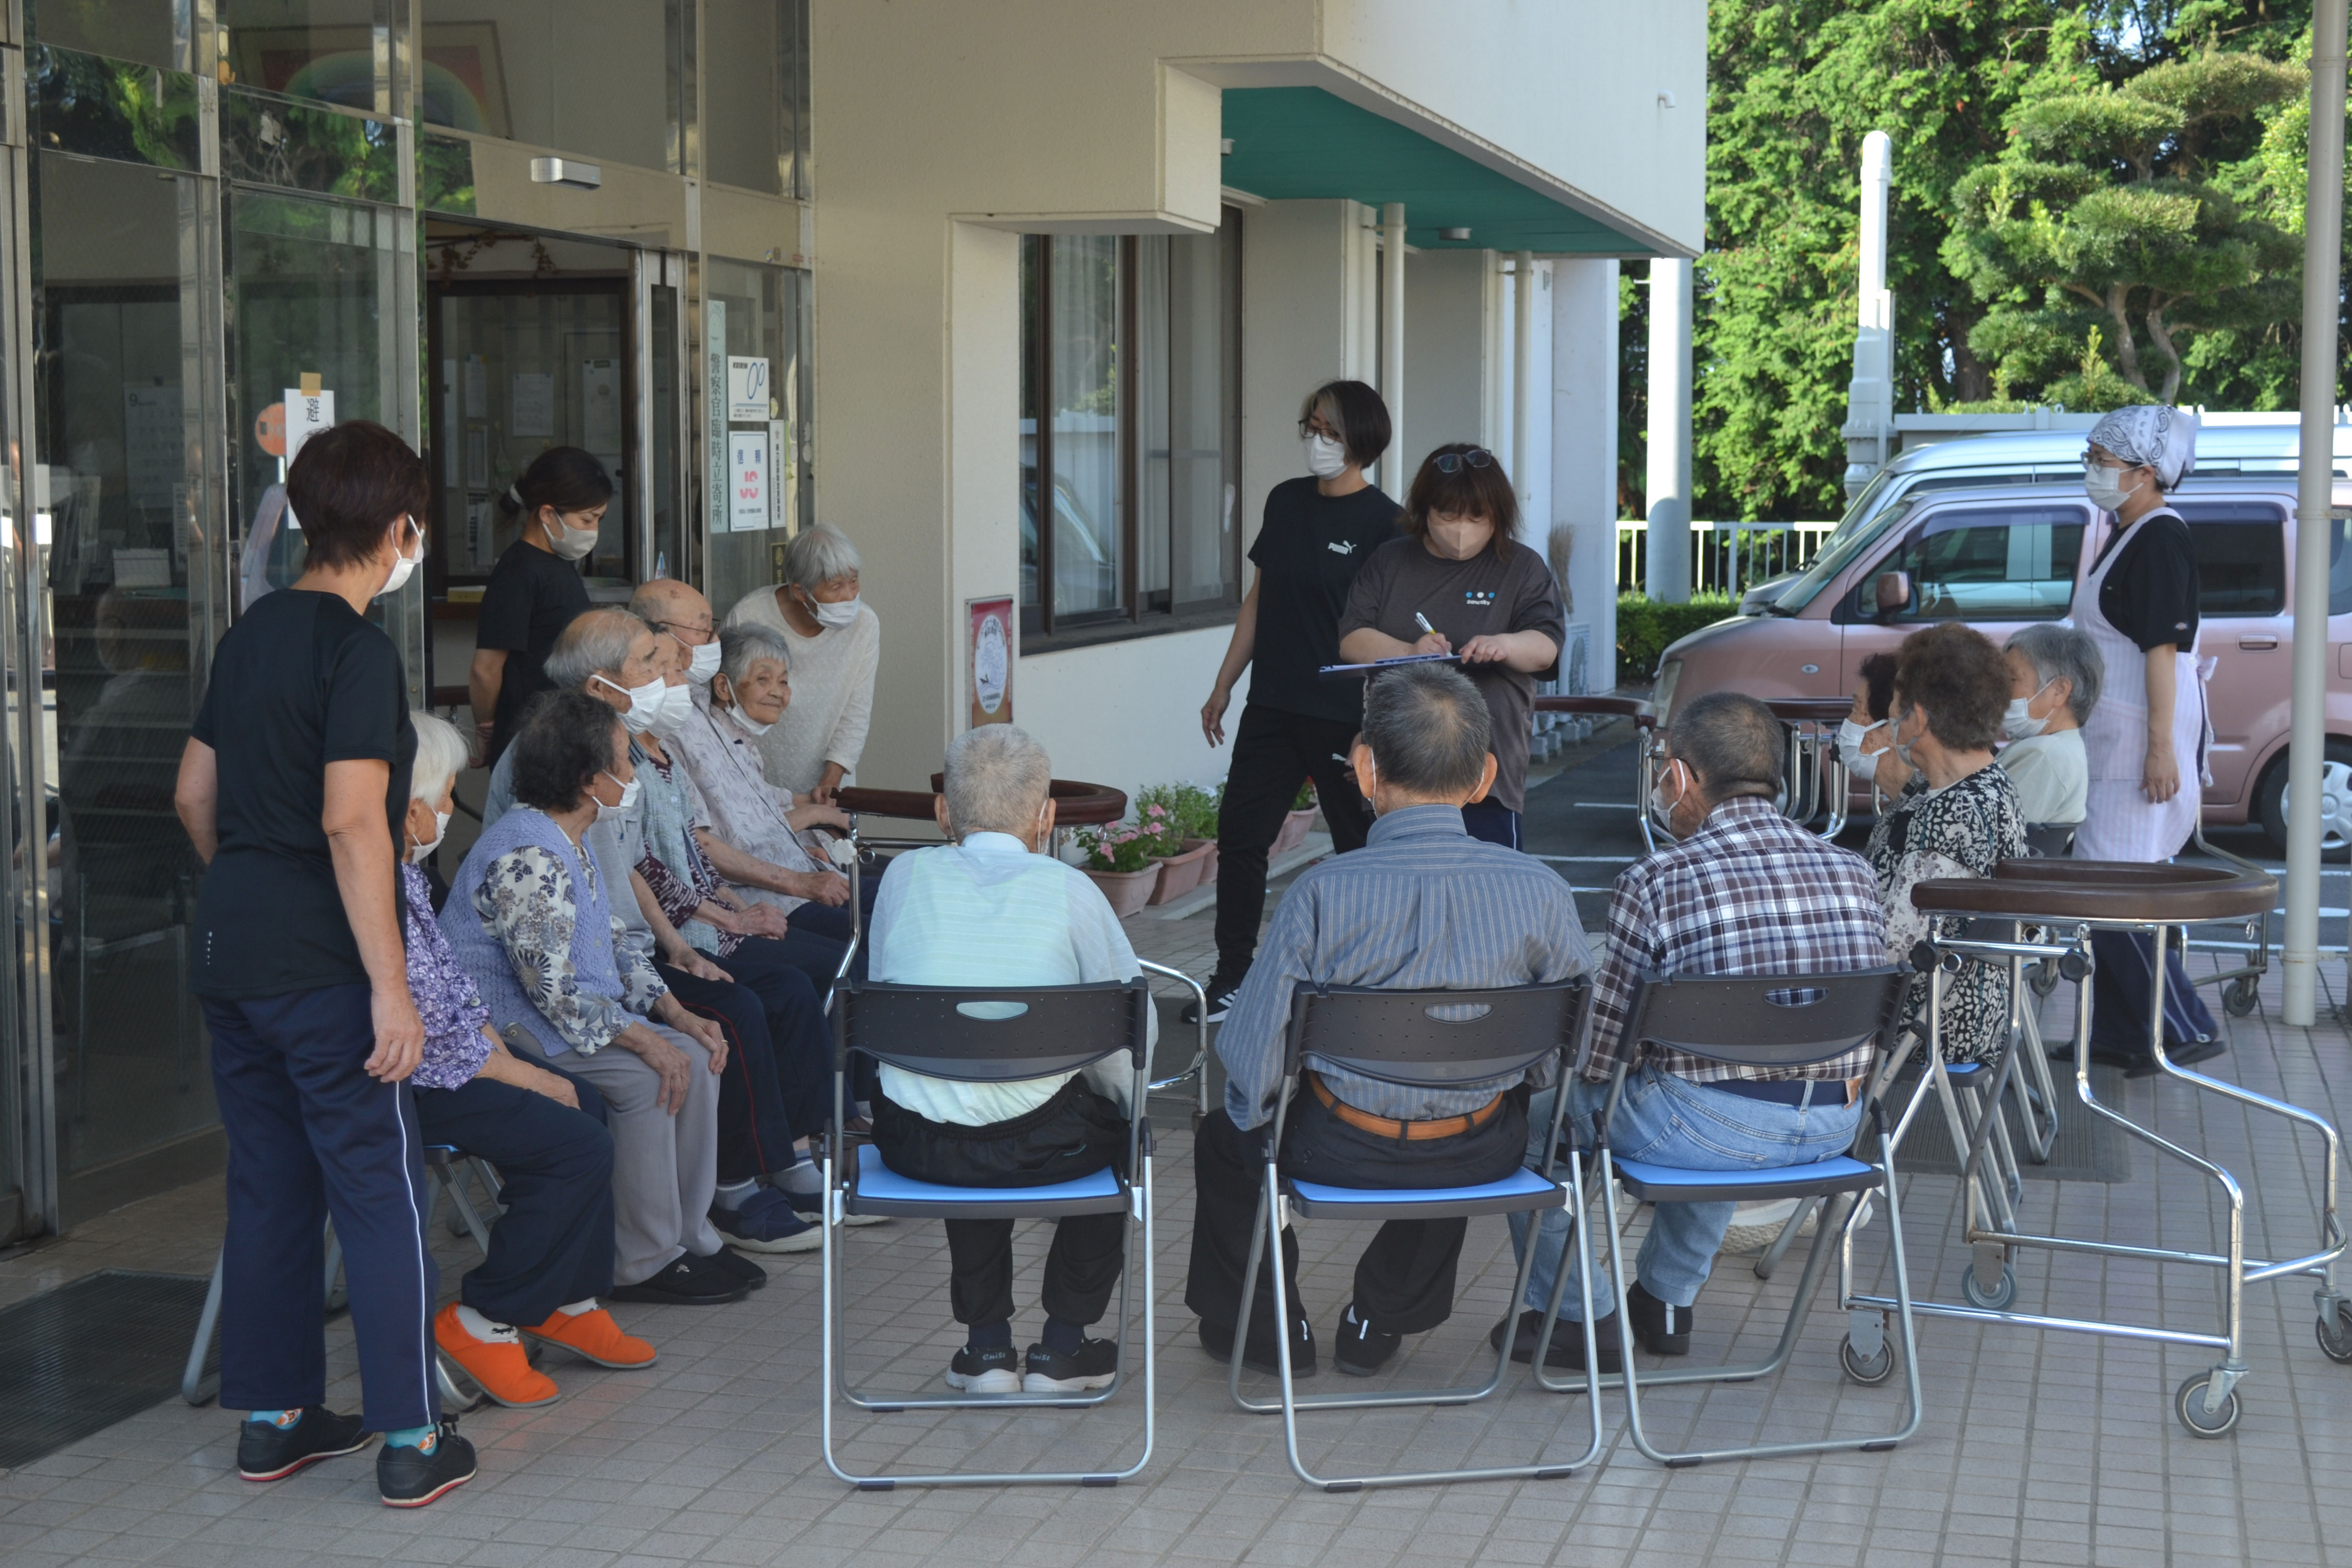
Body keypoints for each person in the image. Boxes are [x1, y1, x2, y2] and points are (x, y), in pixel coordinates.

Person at [172, 419, 476, 1507]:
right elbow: (356, 823)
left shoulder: (248, 636)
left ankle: (275, 1418)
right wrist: (390, 988)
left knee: (266, 1186)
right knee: (377, 1188)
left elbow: (192, 799)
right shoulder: (357, 651)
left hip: (230, 950)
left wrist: (253, 889)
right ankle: (410, 1435)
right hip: (323, 965)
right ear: (400, 527)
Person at [1186, 663, 1591, 1378]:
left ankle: (1268, 1329)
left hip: (1333, 1147)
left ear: (1365, 769)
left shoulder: (1320, 894)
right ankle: (1380, 1317)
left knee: (1229, 1137)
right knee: (1476, 1097)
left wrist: (1267, 1118)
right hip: (1480, 1150)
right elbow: (1566, 1054)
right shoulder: (1543, 891)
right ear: (1484, 776)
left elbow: (1249, 1066)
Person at [1498, 693, 1883, 1370]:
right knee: (1713, 1081)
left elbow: (1601, 1058)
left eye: (1663, 770)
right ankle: (1667, 1301)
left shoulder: (1656, 878)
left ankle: (1578, 1316)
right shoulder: (1854, 871)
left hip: (1710, 1131)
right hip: (1834, 1132)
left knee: (1529, 1126)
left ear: (1682, 777)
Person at [483, 611, 836, 1250]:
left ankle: (732, 1194)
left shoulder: (620, 744)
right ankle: (718, 1201)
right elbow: (565, 935)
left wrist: (677, 953)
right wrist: (664, 995)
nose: (670, 675)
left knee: (750, 1003)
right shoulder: (561, 755)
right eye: (650, 662)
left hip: (630, 956)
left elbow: (630, 870)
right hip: (567, 989)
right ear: (599, 685)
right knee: (729, 1017)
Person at [438, 692, 760, 1305]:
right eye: (625, 763)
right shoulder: (528, 852)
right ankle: (640, 1258)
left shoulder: (574, 838)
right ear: (590, 780)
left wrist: (677, 1016)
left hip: (567, 1016)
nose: (634, 775)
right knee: (647, 1080)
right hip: (511, 1026)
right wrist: (645, 1040)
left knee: (695, 1054)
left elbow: (613, 944)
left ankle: (688, 1235)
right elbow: (551, 990)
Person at [865, 725, 1158, 1394]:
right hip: (1043, 1145)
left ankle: (987, 1349)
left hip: (917, 1145)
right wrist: (1129, 1109)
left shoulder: (902, 879)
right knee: (1114, 1129)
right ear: (1046, 815)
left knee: (954, 1091)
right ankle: (1062, 1348)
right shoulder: (1071, 890)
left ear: (944, 812)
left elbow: (885, 1010)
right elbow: (1127, 1041)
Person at [395, 714, 657, 1408]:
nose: (455, 808)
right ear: (410, 804)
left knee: (586, 1106)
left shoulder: (407, 874)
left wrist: (512, 1061)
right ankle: (484, 1317)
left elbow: (450, 992)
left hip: (451, 1056)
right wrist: (522, 1069)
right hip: (411, 1081)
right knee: (574, 1142)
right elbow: (439, 1036)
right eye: (448, 794)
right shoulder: (385, 882)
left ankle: (565, 1300)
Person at [1189, 380, 1399, 1025]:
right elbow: (1259, 598)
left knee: (1358, 846)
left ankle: (1365, 974)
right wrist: (1224, 682)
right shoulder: (1284, 501)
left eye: (1331, 431)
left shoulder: (1386, 523)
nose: (1317, 442)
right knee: (1241, 837)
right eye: (1310, 427)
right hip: (1272, 702)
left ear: (1361, 440)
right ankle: (1232, 977)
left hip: (1342, 709)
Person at [2073, 405, 2223, 1073]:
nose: (2092, 470)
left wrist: (2161, 748)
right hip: (2116, 742)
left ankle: (2182, 1025)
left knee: (2116, 893)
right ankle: (2121, 1036)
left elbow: (2164, 650)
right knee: (2108, 887)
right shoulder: (2125, 530)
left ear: (2144, 472)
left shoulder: (2161, 537)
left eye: (2102, 460)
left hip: (2140, 746)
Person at [1337, 444, 1565, 850]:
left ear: (1499, 515)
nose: (1462, 529)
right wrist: (1410, 651)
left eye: (1478, 517)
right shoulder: (1389, 562)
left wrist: (1504, 645)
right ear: (1424, 511)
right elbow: (1352, 639)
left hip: (1484, 772)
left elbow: (1546, 645)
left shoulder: (1522, 567)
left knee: (1489, 898)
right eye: (1448, 516)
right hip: (1396, 767)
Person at [1865, 625, 2029, 1069]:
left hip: (1929, 1019)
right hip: (1964, 1002)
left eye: (1894, 706)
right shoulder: (1982, 784)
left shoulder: (1956, 811)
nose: (1888, 715)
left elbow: (1892, 948)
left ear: (1918, 719)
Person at [672, 621, 880, 944]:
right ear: (724, 688)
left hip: (807, 872)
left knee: (908, 889)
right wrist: (814, 817)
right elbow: (731, 838)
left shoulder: (741, 742)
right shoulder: (689, 735)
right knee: (887, 933)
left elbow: (764, 804)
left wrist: (813, 815)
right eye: (763, 679)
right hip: (777, 899)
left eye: (783, 681)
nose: (778, 692)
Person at [469, 448, 610, 766]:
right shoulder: (518, 571)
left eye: (599, 519)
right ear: (547, 514)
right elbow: (485, 668)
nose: (593, 530)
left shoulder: (559, 565)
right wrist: (489, 726)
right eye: (587, 519)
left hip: (563, 735)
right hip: (530, 741)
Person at [722, 522, 878, 802]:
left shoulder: (864, 624)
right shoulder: (750, 615)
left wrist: (832, 778)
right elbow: (722, 704)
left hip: (827, 782)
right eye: (836, 587)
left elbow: (857, 709)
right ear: (800, 592)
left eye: (853, 582)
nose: (850, 596)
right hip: (750, 780)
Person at [1999, 623, 2101, 830]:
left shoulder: (2045, 756)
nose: (2000, 690)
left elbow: (1984, 836)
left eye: (2011, 679)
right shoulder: (2051, 746)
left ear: (2059, 690)